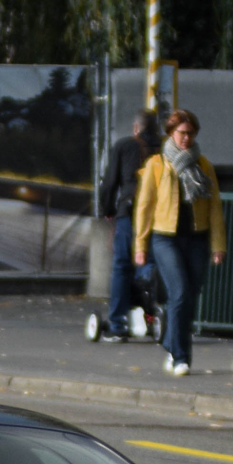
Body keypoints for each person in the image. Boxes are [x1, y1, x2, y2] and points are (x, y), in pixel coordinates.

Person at [129, 109, 223, 377]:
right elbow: (144, 207)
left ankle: (171, 342)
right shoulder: (156, 165)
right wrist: (140, 245)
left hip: (196, 237)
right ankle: (180, 356)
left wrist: (218, 245)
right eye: (182, 133)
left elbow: (214, 207)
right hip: (164, 238)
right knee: (179, 292)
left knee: (190, 296)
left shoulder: (203, 165)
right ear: (171, 133)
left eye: (191, 133)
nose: (186, 138)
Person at [88, 112, 160, 342]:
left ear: (136, 128)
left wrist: (108, 210)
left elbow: (110, 183)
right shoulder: (164, 149)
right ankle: (151, 315)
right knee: (148, 264)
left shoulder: (125, 145)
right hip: (158, 215)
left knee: (121, 266)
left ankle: (118, 323)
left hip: (130, 213)